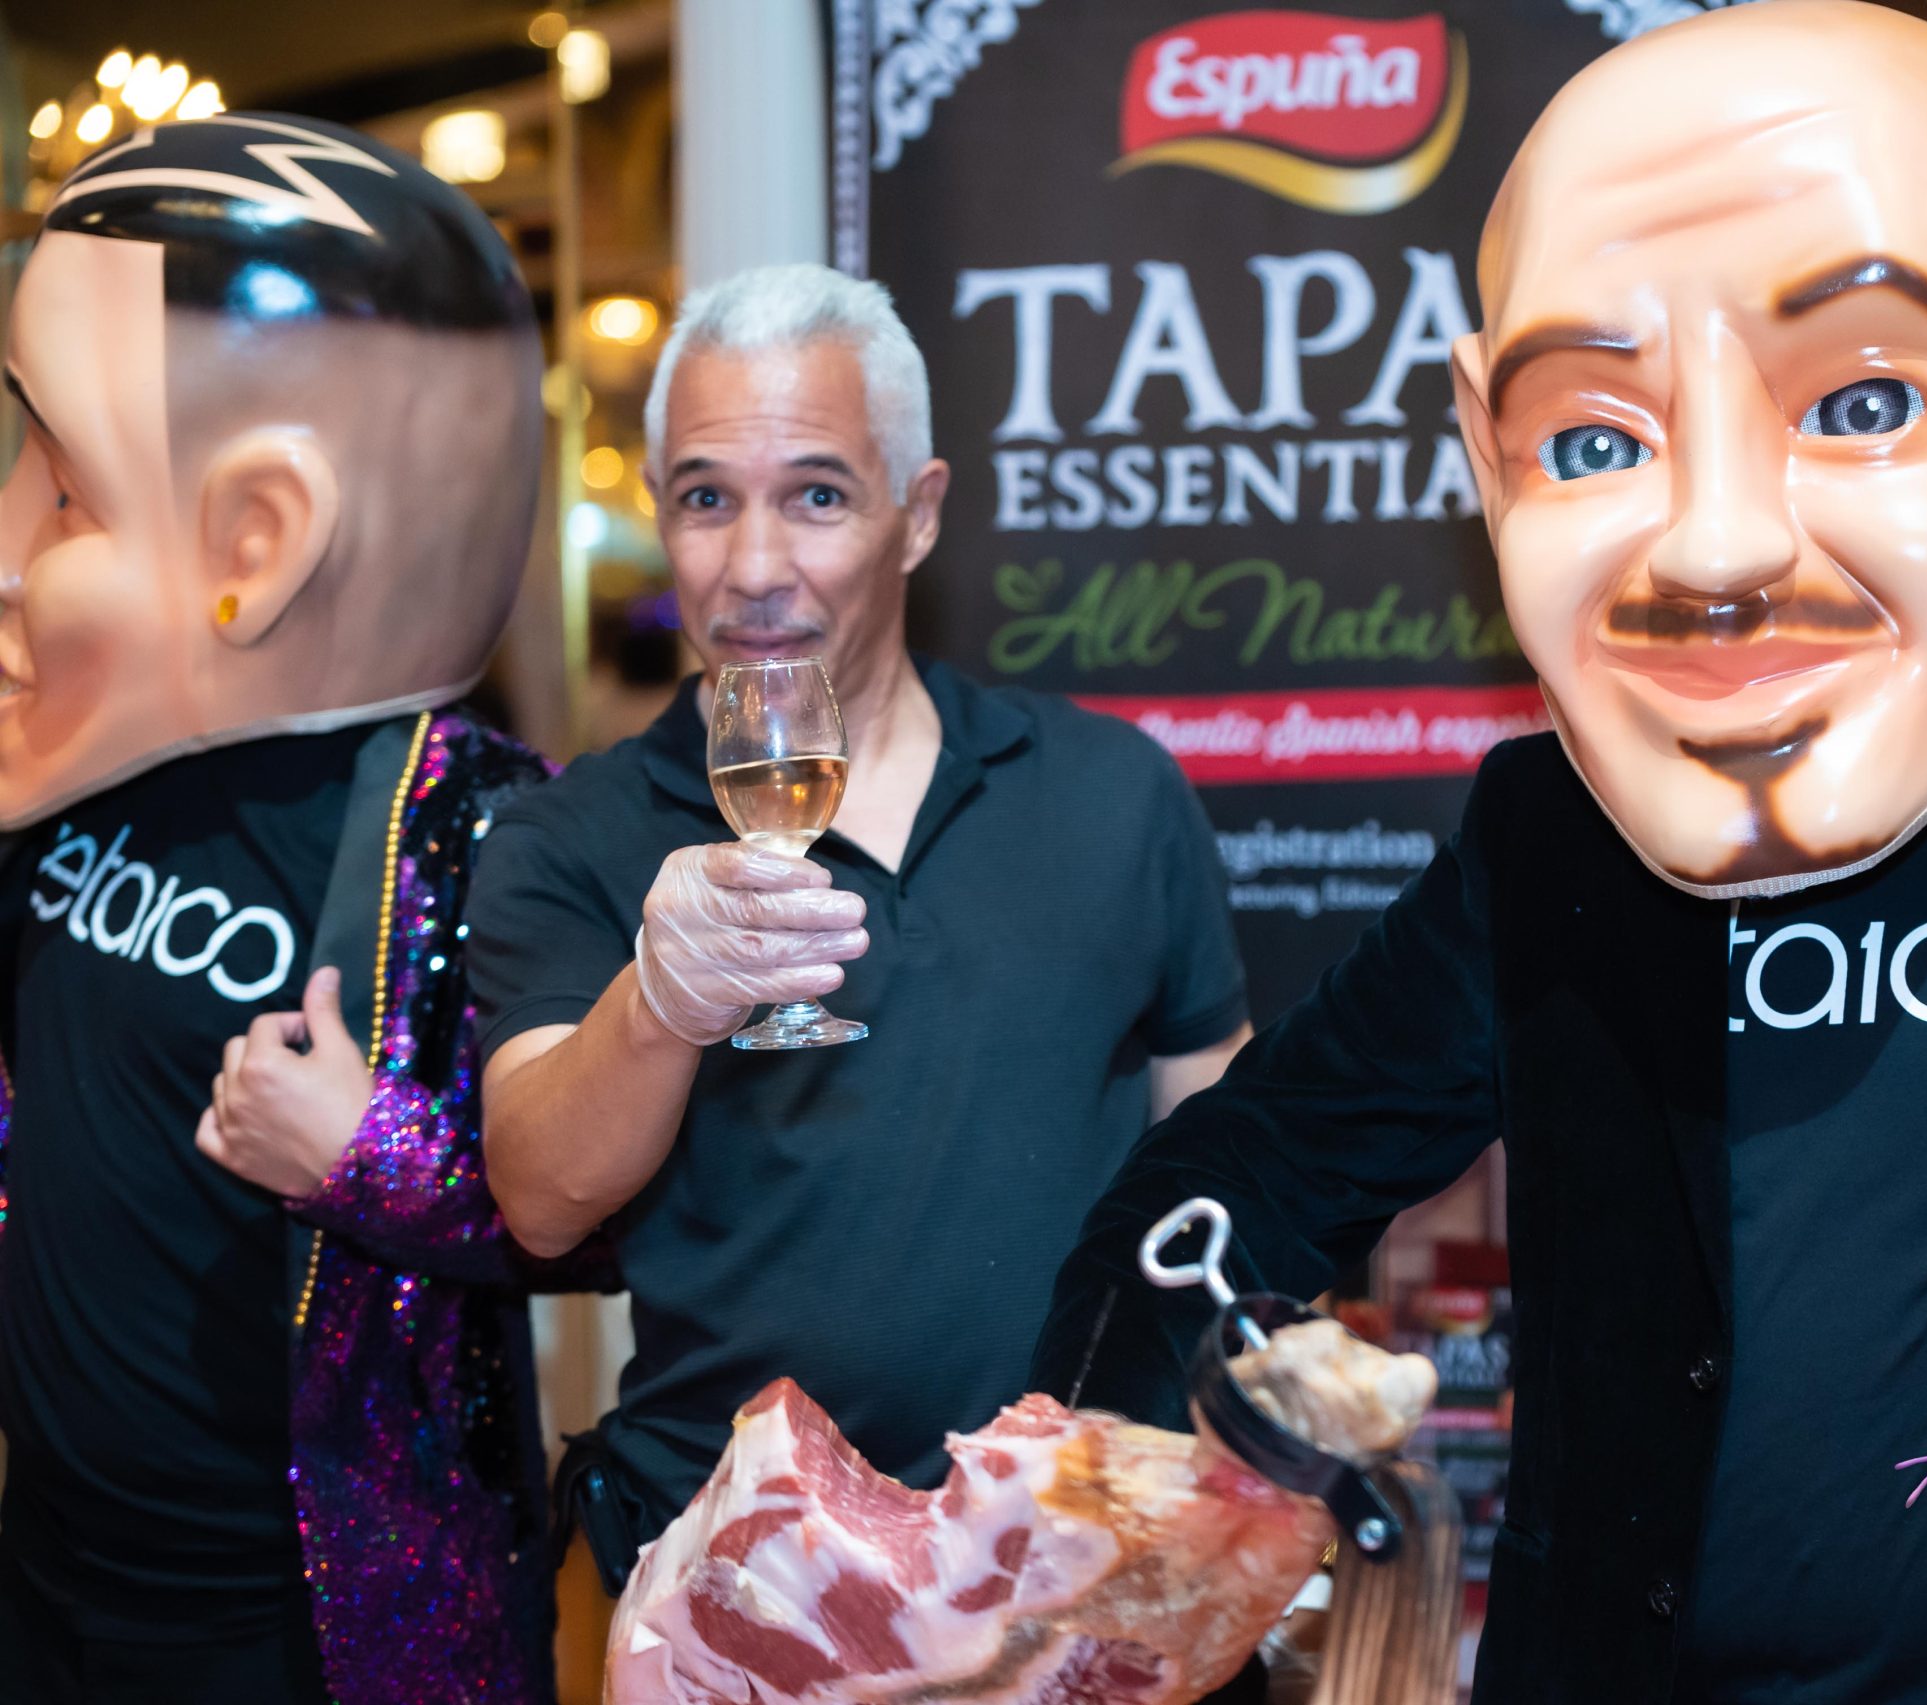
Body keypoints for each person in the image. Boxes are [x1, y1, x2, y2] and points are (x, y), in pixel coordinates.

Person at [1028, 10, 1927, 1705]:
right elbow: (1247, 1175)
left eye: (1864, 401)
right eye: (1595, 442)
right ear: (1489, 450)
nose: (1718, 545)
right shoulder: (1551, 847)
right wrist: (1085, 1498)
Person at [465, 263, 1254, 1585]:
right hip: (740, 1581)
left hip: (1080, 1556)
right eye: (706, 499)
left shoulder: (1111, 789)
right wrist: (658, 1001)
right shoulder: (571, 833)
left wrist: (1244, 1430)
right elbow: (541, 1199)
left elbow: (1221, 1145)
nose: (753, 567)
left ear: (917, 512)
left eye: (817, 496)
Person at [0, 115, 559, 1704]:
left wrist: (368, 1154)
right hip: (51, 1571)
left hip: (307, 1628)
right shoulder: (72, 770)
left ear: (260, 540)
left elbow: (595, 1209)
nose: (9, 546)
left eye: (64, 490)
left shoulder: (483, 830)